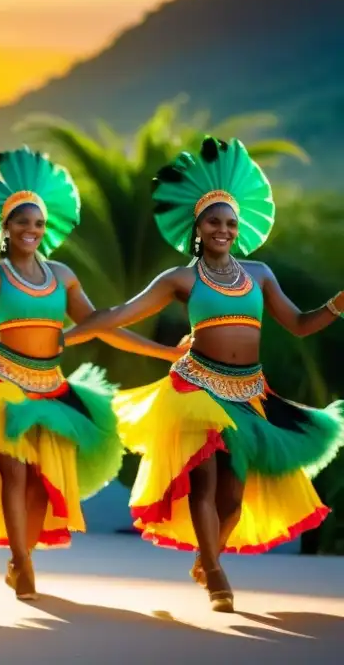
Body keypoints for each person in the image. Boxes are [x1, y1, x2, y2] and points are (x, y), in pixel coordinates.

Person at [63, 136, 344, 612]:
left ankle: (206, 553)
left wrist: (336, 305)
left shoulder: (259, 274)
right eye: (214, 221)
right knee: (206, 482)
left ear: (240, 229)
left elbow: (298, 324)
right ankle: (216, 575)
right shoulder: (180, 279)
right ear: (197, 226)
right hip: (197, 387)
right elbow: (118, 313)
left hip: (250, 392)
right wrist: (68, 337)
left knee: (233, 497)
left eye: (231, 223)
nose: (223, 229)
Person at [0, 146, 182, 600]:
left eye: (38, 223)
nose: (31, 230)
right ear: (6, 226)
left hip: (51, 387)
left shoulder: (62, 275)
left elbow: (102, 324)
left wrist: (164, 353)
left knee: (41, 482)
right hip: (0, 385)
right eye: (23, 221)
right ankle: (22, 564)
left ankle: (23, 555)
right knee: (15, 476)